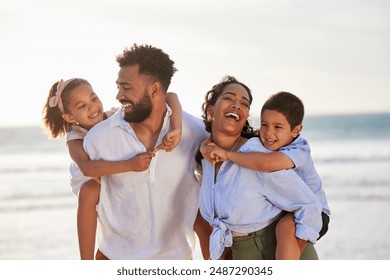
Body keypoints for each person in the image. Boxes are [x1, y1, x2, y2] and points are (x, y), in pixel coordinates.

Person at [79, 44, 212, 260]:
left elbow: (216, 195)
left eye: (127, 88)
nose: (118, 95)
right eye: (118, 87)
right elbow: (86, 197)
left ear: (155, 89)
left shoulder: (195, 133)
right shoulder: (99, 139)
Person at [42, 78, 184, 259]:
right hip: (93, 177)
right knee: (89, 192)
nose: (92, 107)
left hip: (116, 173)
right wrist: (130, 165)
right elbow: (86, 168)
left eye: (93, 98)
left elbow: (170, 96)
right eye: (82, 106)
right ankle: (85, 260)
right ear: (70, 118)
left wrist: (177, 127)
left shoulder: (115, 116)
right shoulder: (75, 137)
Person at [197, 75, 322, 260]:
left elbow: (308, 205)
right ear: (210, 111)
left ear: (246, 116)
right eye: (229, 98)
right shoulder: (205, 159)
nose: (236, 105)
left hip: (281, 252)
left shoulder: (257, 154)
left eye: (244, 103)